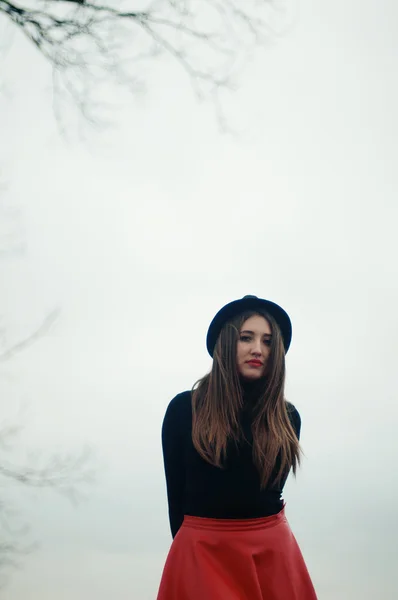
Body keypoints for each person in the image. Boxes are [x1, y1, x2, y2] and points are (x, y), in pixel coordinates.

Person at [157, 295, 317, 600]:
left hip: (272, 555)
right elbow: (176, 502)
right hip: (202, 552)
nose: (258, 349)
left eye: (268, 341)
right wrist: (191, 561)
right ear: (227, 343)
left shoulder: (287, 418)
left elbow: (270, 492)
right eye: (247, 338)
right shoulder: (183, 410)